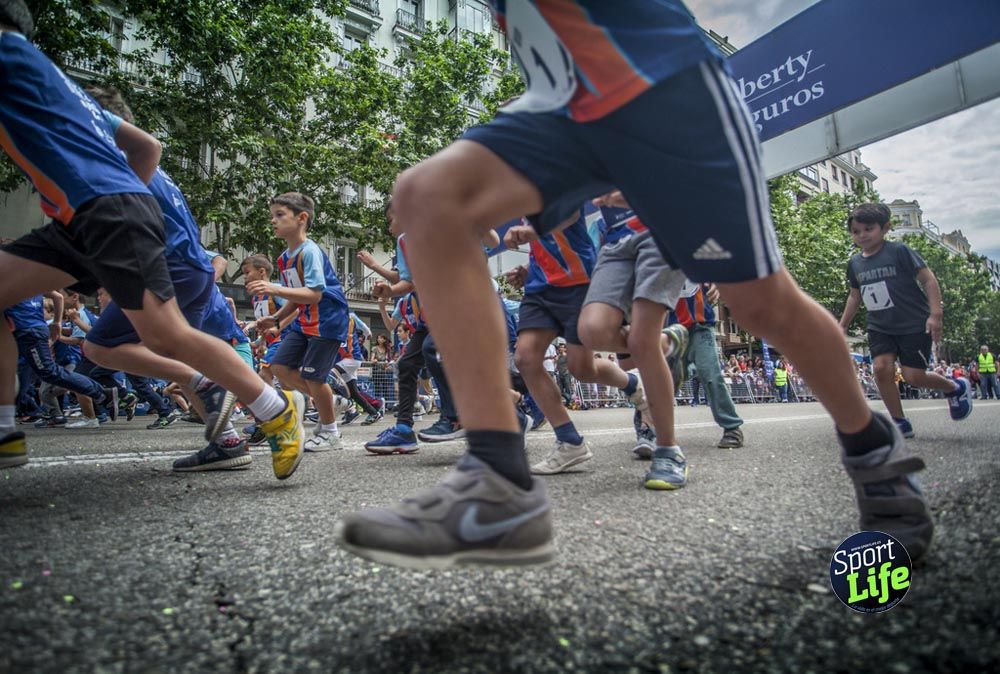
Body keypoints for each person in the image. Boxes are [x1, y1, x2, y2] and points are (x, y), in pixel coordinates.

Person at [335, 1, 937, 567]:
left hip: (663, 90)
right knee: (427, 194)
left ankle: (872, 451)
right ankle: (497, 482)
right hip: (560, 104)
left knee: (762, 306)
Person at [0, 15, 304, 475]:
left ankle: (268, 406)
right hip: (106, 233)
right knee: (131, 345)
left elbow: (189, 238)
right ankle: (229, 428)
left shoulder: (15, 57)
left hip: (158, 251)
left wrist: (116, 228)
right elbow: (149, 149)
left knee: (163, 341)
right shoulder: (82, 111)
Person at [839, 203, 972, 439]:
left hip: (913, 323)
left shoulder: (899, 251)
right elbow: (854, 295)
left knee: (913, 377)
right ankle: (899, 421)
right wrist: (842, 325)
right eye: (856, 231)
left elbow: (928, 280)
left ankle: (955, 388)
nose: (862, 235)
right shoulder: (855, 264)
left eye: (868, 229)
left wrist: (935, 314)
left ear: (886, 227)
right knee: (880, 368)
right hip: (879, 326)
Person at [250, 192, 350, 453]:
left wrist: (274, 289)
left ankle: (330, 432)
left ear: (301, 218)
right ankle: (332, 399)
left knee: (314, 377)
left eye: (280, 215)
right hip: (304, 322)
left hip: (327, 321)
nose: (273, 221)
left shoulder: (310, 252)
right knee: (280, 368)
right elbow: (297, 296)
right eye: (272, 216)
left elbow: (314, 294)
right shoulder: (284, 258)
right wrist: (275, 318)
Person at [669, 280, 745, 448]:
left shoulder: (700, 254)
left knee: (710, 373)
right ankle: (649, 428)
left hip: (700, 325)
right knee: (666, 379)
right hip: (668, 327)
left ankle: (732, 427)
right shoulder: (654, 255)